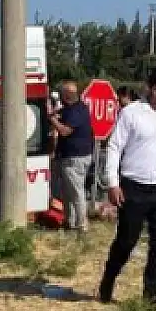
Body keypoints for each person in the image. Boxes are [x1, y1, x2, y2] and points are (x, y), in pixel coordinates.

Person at [99, 68, 156, 309]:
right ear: (155, 90)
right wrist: (113, 183)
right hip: (133, 187)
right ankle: (109, 279)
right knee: (126, 241)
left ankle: (151, 294)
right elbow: (115, 147)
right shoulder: (132, 113)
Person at [47, 80, 94, 233]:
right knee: (67, 193)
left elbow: (65, 131)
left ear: (66, 96)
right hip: (70, 157)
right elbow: (61, 117)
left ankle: (82, 225)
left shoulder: (77, 111)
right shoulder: (73, 108)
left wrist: (51, 118)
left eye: (62, 94)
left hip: (76, 158)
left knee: (76, 192)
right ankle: (70, 222)